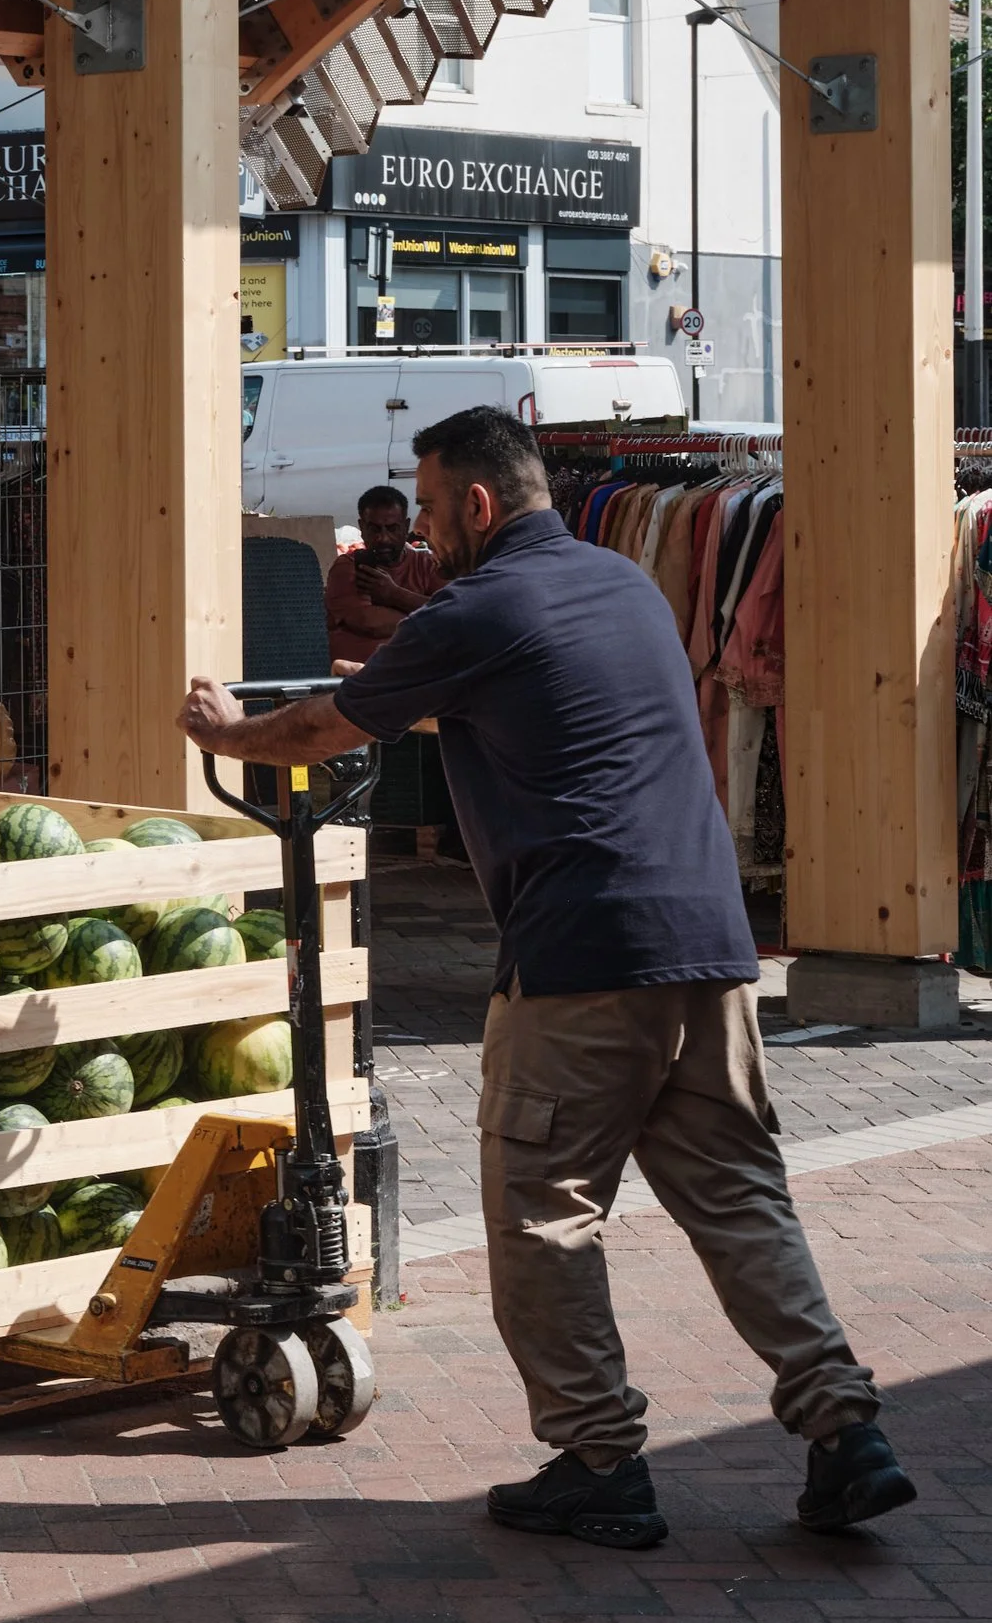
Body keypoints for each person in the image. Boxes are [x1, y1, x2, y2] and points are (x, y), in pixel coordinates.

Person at [179, 402, 913, 1550]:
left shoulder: (476, 607)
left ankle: (597, 1459)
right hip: (709, 947)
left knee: (542, 1212)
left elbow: (319, 733)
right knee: (737, 1195)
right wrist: (405, 685)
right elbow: (538, 708)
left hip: (580, 957)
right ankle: (843, 1428)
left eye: (430, 507)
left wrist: (228, 733)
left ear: (477, 503)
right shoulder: (623, 587)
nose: (420, 531)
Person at [324, 484, 441, 671]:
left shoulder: (426, 565)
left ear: (406, 527)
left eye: (392, 529)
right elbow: (370, 622)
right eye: (375, 529)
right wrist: (430, 616)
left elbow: (450, 611)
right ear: (362, 528)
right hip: (358, 676)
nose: (383, 538)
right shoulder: (348, 567)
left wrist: (394, 594)